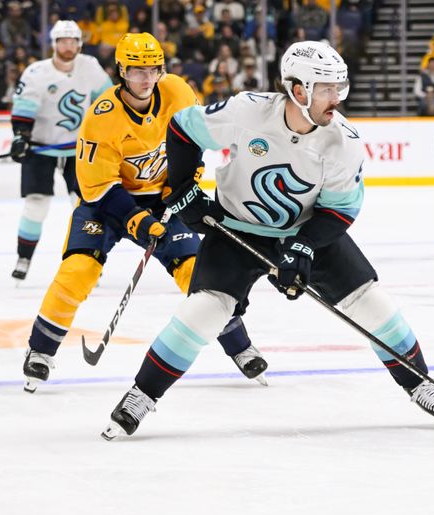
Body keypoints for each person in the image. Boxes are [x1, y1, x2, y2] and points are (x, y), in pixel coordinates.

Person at [101, 41, 434, 440]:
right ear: (298, 90)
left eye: (339, 88)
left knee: (372, 303)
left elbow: (340, 210)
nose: (337, 98)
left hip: (304, 231)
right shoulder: (247, 111)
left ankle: (420, 384)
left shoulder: (344, 141)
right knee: (203, 313)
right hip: (236, 228)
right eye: (327, 89)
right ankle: (142, 394)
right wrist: (184, 188)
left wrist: (303, 246)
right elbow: (182, 128)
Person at [22, 33, 268, 393]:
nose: (146, 78)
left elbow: (194, 139)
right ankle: (40, 351)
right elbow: (97, 186)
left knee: (196, 274)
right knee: (78, 270)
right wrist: (136, 220)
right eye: (137, 70)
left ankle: (241, 347)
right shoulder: (102, 115)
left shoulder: (177, 92)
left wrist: (182, 182)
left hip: (161, 199)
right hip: (107, 203)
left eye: (153, 69)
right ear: (121, 70)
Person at [10, 20, 112, 282]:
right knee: (36, 205)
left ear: (79, 43)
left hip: (78, 149)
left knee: (83, 206)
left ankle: (87, 259)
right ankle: (24, 257)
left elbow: (109, 101)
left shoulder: (90, 67)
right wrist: (21, 137)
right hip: (41, 148)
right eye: (62, 41)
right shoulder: (36, 73)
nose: (68, 47)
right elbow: (23, 109)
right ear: (54, 44)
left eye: (72, 41)